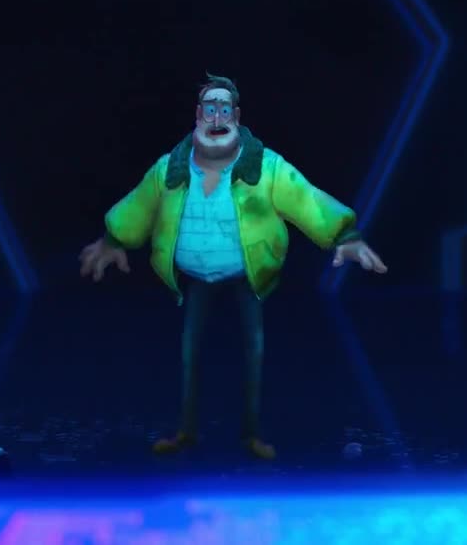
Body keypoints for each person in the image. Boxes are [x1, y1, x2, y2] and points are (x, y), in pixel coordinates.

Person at [78, 73, 387, 460]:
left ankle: (251, 435)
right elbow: (139, 204)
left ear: (236, 116)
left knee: (252, 351)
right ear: (198, 114)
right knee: (190, 352)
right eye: (210, 108)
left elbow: (305, 198)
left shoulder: (266, 167)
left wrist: (345, 235)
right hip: (196, 277)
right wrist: (113, 239)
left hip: (246, 277)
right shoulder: (170, 170)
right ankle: (186, 432)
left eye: (224, 109)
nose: (217, 117)